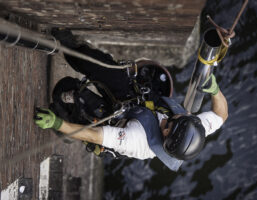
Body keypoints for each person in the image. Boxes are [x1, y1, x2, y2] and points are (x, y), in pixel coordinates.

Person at [34, 35, 228, 171]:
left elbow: (93, 135)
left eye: (167, 129)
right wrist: (215, 91)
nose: (165, 124)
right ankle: (70, 48)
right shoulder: (192, 127)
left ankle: (66, 121)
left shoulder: (136, 141)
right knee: (100, 66)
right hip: (137, 103)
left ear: (167, 138)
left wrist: (57, 123)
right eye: (173, 120)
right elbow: (221, 115)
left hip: (115, 122)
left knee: (64, 89)